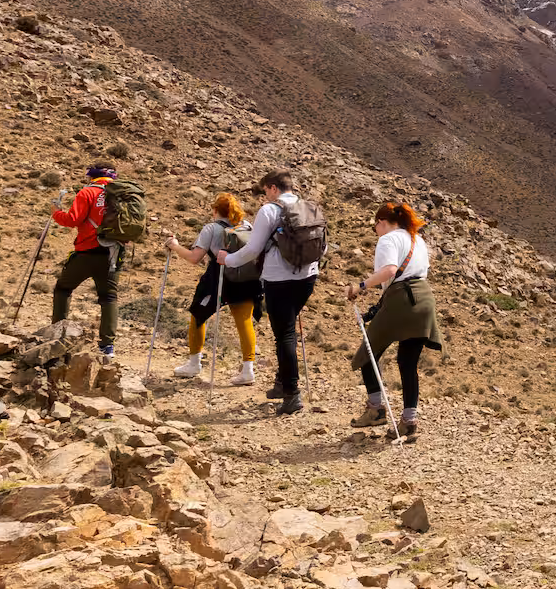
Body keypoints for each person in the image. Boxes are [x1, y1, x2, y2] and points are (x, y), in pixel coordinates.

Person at [216, 169, 321, 416]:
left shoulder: (270, 210)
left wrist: (228, 260)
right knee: (288, 328)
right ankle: (282, 383)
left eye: (266, 190)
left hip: (278, 280)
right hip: (308, 277)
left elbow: (253, 249)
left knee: (284, 335)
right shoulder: (309, 207)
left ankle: (292, 395)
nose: (264, 196)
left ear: (273, 188)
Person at [346, 201, 442, 439]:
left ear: (382, 222)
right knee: (407, 362)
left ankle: (376, 410)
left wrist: (360, 286)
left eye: (375, 226)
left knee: (368, 353)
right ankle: (409, 421)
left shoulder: (388, 239)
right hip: (424, 298)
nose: (375, 231)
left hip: (401, 300)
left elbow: (389, 271)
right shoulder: (417, 239)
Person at [166, 193, 261, 385]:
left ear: (215, 210)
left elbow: (194, 258)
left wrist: (175, 247)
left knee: (198, 315)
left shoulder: (211, 228)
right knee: (244, 322)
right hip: (246, 278)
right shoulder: (247, 225)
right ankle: (248, 370)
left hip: (218, 277)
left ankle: (194, 363)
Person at [51, 162, 123, 360]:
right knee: (108, 298)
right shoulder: (122, 194)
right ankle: (107, 346)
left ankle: (57, 335)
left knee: (63, 288)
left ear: (92, 176)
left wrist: (55, 213)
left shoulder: (87, 193)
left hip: (86, 251)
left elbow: (72, 219)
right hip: (112, 255)